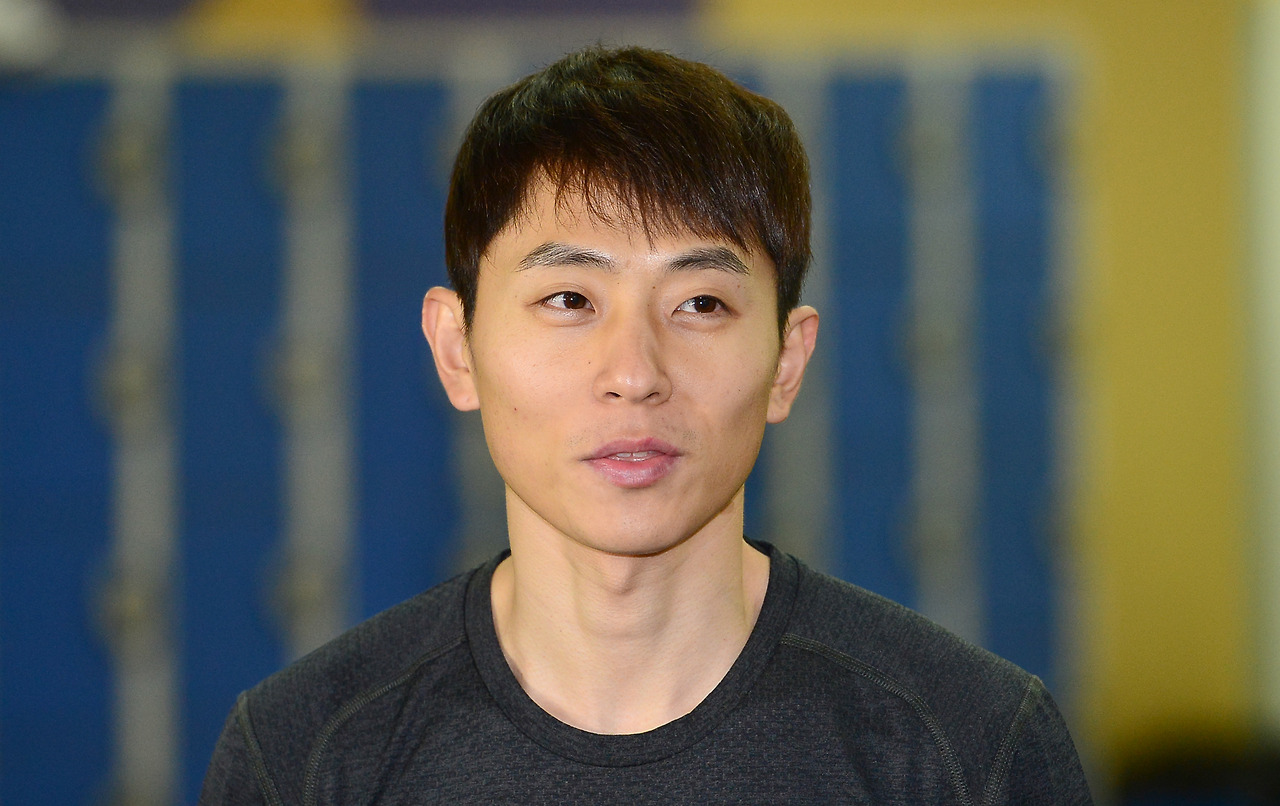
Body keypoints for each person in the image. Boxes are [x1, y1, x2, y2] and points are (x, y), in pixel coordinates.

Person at [200, 45, 1093, 804]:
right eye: (569, 299)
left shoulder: (969, 749)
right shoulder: (304, 756)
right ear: (456, 350)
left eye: (701, 303)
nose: (634, 374)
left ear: (786, 363)